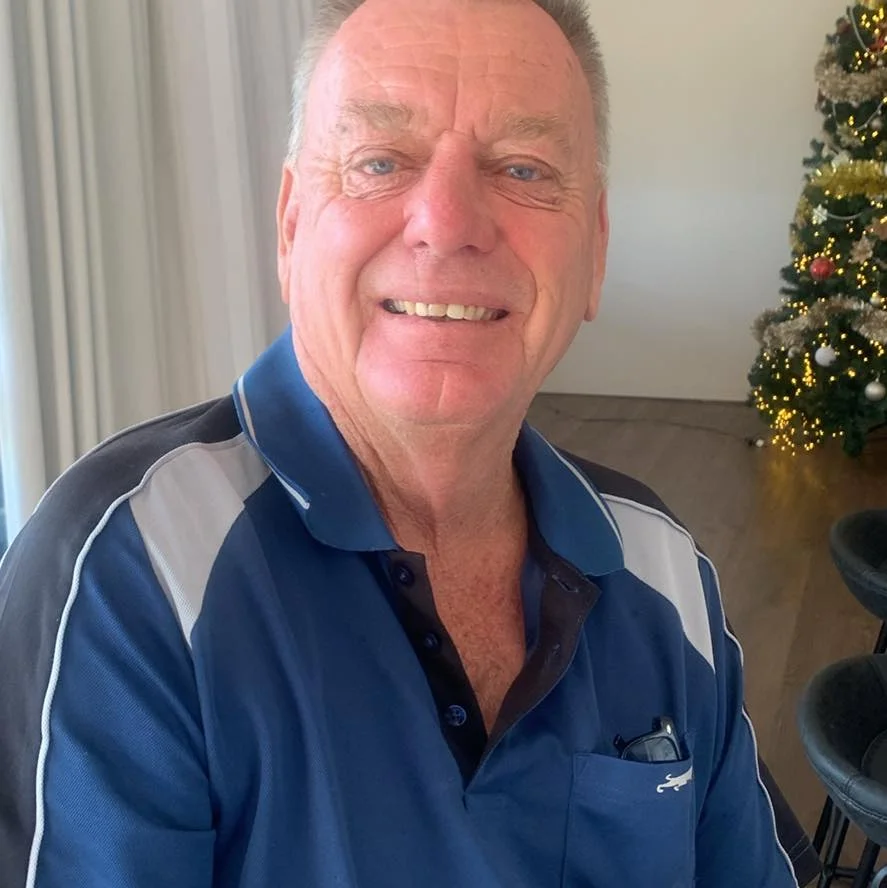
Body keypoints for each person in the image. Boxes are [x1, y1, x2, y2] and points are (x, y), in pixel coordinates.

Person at [0, 0, 819, 885]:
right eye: (379, 161)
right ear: (291, 226)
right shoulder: (133, 568)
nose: (447, 220)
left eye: (523, 168)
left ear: (595, 250)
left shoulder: (659, 565)